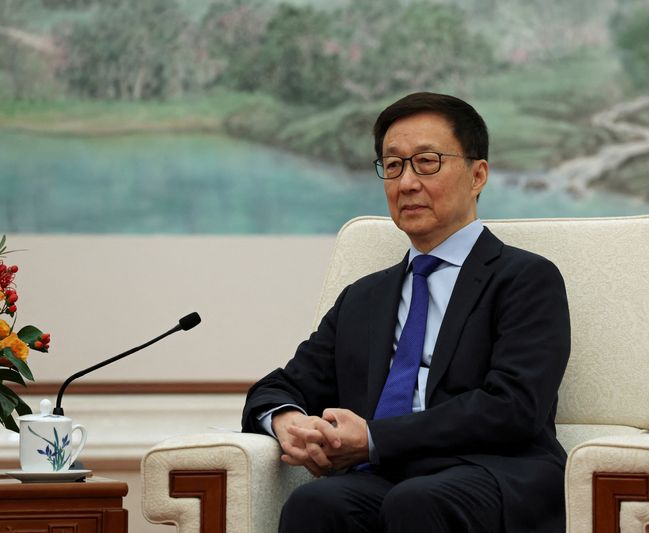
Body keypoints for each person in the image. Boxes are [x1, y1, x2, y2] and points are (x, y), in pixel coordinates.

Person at [242, 92, 571, 532]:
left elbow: (513, 407)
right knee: (316, 503)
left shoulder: (526, 278)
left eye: (427, 162)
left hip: (493, 471)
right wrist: (286, 420)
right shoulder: (364, 297)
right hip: (389, 477)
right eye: (393, 166)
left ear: (478, 175)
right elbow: (281, 384)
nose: (407, 183)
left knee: (416, 502)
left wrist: (375, 439)